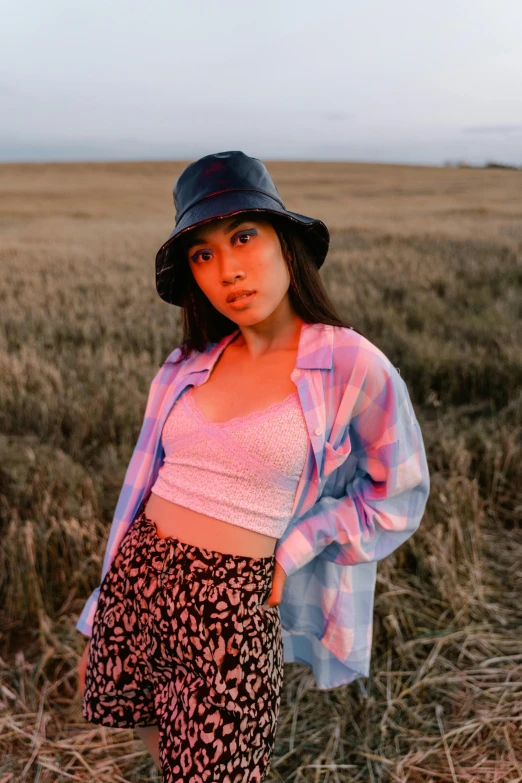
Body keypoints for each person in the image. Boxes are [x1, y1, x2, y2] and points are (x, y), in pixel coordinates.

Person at [76, 151, 430, 782]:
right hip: (139, 580)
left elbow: (396, 494)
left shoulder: (351, 364)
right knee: (158, 743)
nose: (227, 271)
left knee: (216, 772)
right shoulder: (185, 364)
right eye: (202, 254)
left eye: (243, 237)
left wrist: (297, 546)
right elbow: (138, 492)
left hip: (231, 605)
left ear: (286, 243)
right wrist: (99, 613)